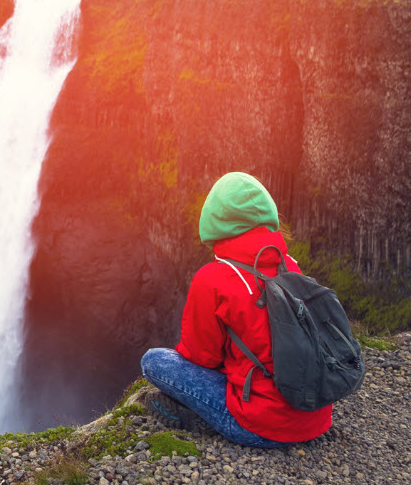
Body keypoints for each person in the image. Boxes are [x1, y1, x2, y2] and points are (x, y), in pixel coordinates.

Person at [140, 171, 332, 447]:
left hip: (261, 426)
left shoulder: (213, 278)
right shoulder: (290, 265)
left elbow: (200, 357)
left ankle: (205, 420)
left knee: (154, 361)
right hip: (316, 417)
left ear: (215, 221)